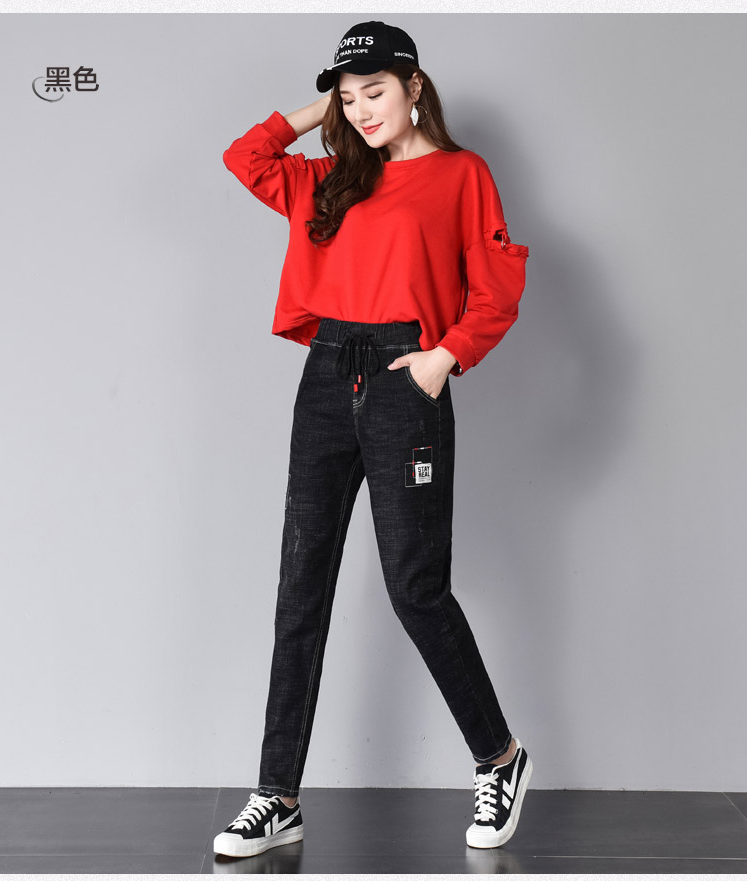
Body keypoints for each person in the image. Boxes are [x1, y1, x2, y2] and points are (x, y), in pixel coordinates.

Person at [214, 20, 533, 860]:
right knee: (300, 587)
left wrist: (442, 358)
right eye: (347, 98)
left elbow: (496, 287)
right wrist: (319, 111)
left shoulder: (462, 175)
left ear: (415, 86)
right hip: (326, 374)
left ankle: (500, 757)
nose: (360, 110)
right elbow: (245, 156)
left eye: (375, 91)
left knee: (415, 588)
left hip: (404, 377)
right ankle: (277, 793)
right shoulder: (330, 179)